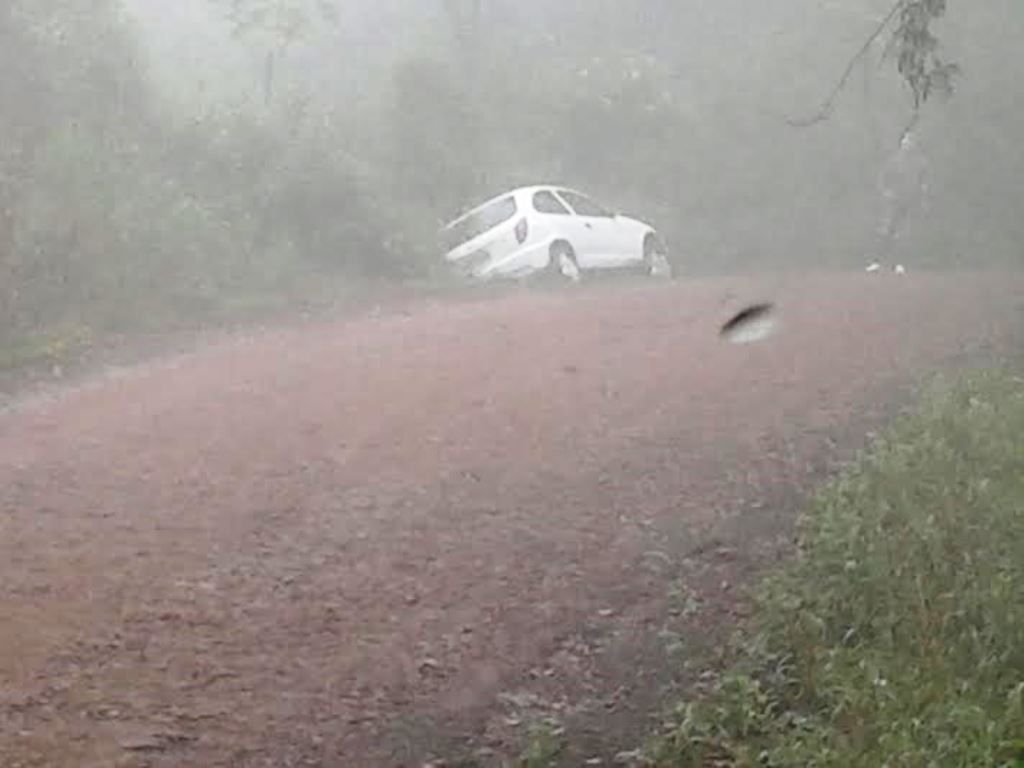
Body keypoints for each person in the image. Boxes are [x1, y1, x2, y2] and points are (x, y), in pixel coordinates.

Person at [871, 127, 929, 267]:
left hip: (911, 201)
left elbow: (924, 183)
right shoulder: (893, 160)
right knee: (886, 231)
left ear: (915, 143)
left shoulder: (921, 162)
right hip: (894, 202)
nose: (907, 143)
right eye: (905, 139)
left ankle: (900, 264)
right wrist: (886, 192)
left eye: (911, 140)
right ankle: (877, 261)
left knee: (905, 233)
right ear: (901, 142)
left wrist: (923, 198)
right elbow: (882, 179)